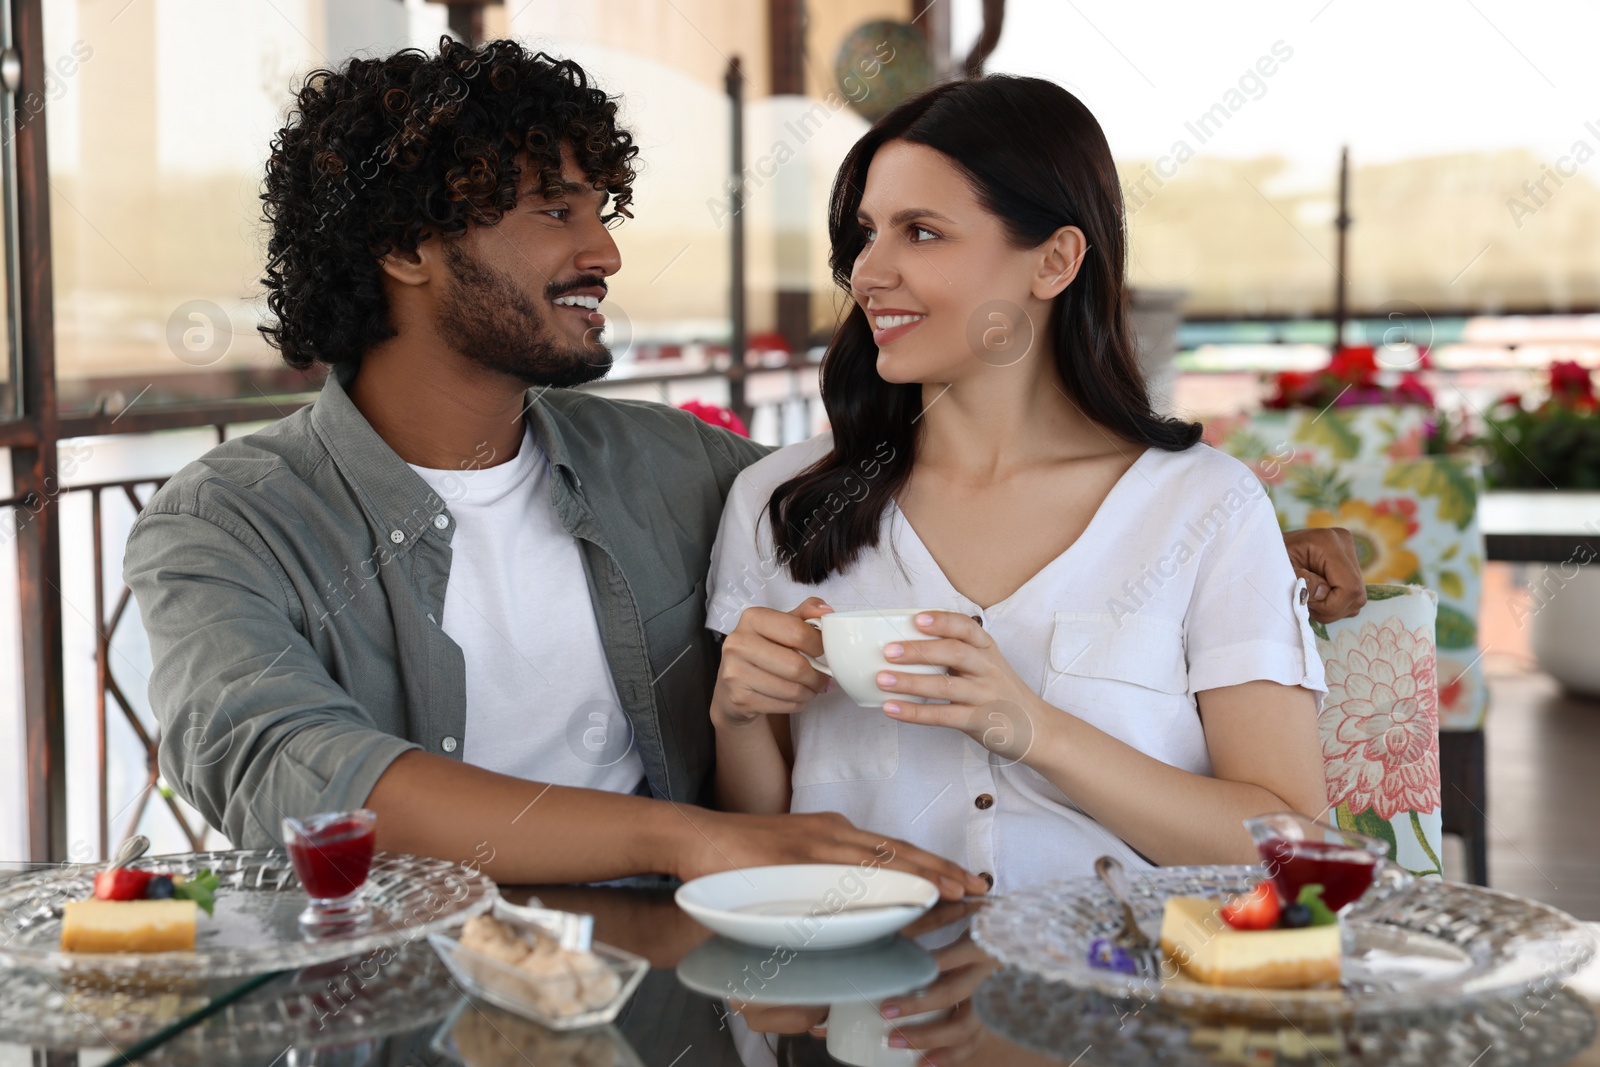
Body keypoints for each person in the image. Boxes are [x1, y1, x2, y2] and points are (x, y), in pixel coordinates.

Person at [125, 40, 1361, 888]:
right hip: (411, 1003)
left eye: (602, 205)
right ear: (404, 246)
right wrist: (695, 838)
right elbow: (304, 779)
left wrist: (1266, 538)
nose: (605, 251)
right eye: (556, 210)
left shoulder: (674, 470)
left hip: (682, 991)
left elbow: (961, 479)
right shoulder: (224, 523)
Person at [706, 75, 1342, 895]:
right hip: (862, 1006)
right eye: (867, 235)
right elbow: (755, 848)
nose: (867, 272)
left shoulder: (1204, 508)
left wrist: (1034, 727)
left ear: (1054, 260)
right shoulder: (778, 500)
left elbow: (1289, 847)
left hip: (1119, 1003)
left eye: (922, 233)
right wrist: (740, 719)